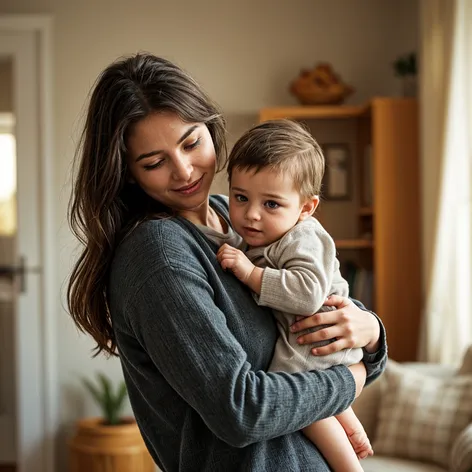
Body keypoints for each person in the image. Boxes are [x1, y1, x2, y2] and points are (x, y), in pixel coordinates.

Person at [67, 53, 387, 472]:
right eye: (154, 162)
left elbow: (315, 285)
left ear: (210, 127)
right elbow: (241, 411)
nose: (184, 171)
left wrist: (372, 334)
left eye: (191, 142)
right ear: (128, 173)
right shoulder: (159, 255)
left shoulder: (237, 214)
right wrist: (352, 378)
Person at [217, 119, 373, 471]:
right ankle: (349, 422)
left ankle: (350, 466)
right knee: (308, 396)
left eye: (271, 204)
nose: (251, 215)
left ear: (306, 208)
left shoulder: (303, 237)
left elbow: (305, 294)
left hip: (315, 336)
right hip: (310, 339)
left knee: (293, 401)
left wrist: (250, 273)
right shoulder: (262, 234)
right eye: (240, 198)